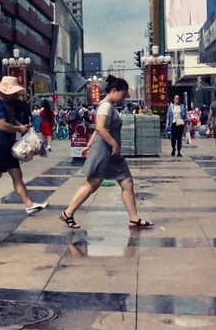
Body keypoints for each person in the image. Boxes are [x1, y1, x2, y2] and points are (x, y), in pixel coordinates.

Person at [59, 75, 153, 230]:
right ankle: (68, 212)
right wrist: (114, 144)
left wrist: (90, 144)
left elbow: (98, 129)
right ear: (114, 91)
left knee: (127, 182)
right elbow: (101, 127)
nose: (123, 99)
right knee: (93, 183)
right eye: (122, 95)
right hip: (105, 150)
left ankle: (134, 219)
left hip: (109, 151)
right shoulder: (106, 106)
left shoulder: (108, 106)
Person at [0, 77, 47, 218]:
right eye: (14, 91)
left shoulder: (7, 104)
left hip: (8, 144)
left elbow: (11, 121)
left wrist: (22, 126)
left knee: (17, 175)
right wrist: (19, 129)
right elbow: (3, 125)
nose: (16, 94)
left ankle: (29, 205)